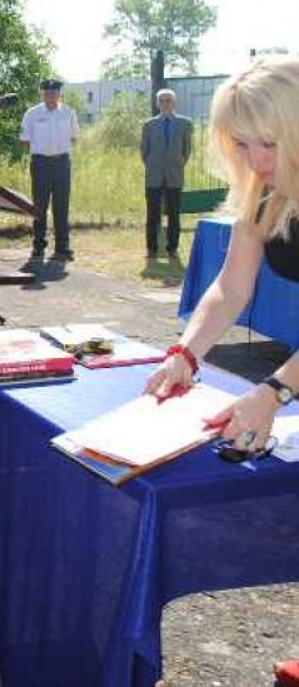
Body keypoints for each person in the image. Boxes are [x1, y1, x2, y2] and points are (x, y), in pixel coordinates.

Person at [141, 58, 299, 685]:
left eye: (271, 141)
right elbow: (229, 289)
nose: (257, 158)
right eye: (244, 143)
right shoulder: (266, 190)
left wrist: (276, 389)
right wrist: (185, 353)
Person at [20, 79, 79, 260]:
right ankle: (39, 245)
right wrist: (38, 156)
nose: (51, 97)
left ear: (59, 94)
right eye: (47, 94)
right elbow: (24, 141)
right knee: (39, 205)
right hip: (41, 164)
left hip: (62, 163)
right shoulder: (32, 113)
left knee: (62, 205)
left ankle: (62, 246)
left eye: (54, 93)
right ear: (42, 94)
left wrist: (59, 151)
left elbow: (75, 137)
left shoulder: (69, 113)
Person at [140, 88, 193, 257]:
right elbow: (144, 151)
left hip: (174, 175)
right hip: (154, 175)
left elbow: (186, 150)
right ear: (157, 104)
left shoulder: (185, 123)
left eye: (168, 100)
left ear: (174, 103)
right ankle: (152, 248)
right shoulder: (148, 125)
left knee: (174, 214)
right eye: (162, 101)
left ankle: (173, 248)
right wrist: (152, 164)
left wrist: (178, 164)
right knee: (152, 215)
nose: (165, 104)